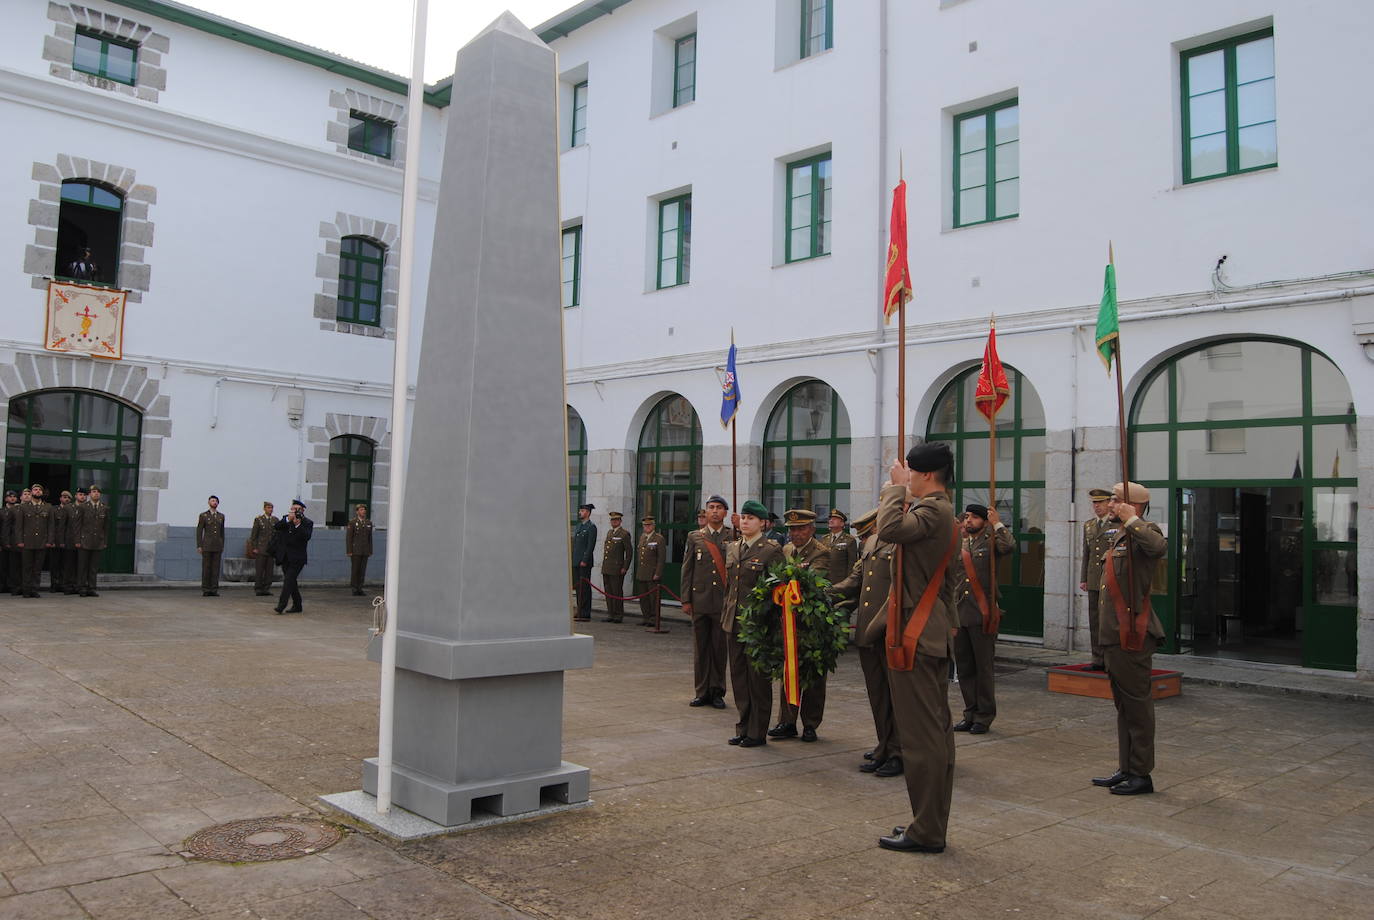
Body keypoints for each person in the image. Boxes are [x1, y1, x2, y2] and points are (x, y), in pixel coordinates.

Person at [872, 442, 959, 854]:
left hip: (918, 635)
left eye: (910, 472)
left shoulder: (933, 510)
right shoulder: (940, 510)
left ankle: (927, 830)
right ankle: (929, 823)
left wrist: (894, 490)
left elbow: (888, 530)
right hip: (927, 632)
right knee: (934, 734)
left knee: (922, 739)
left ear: (923, 475)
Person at [1091, 481, 1167, 797]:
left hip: (1132, 633)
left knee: (1137, 708)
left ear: (1132, 505)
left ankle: (1141, 774)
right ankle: (1127, 767)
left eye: (1115, 501)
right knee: (1124, 707)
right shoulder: (1120, 535)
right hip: (1113, 634)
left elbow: (1158, 548)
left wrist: (1133, 520)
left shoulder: (1143, 531)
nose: (1109, 505)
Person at [829, 508, 903, 777]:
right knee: (877, 694)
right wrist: (825, 590)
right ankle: (884, 745)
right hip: (867, 632)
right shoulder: (870, 543)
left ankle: (898, 752)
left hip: (887, 630)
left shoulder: (901, 543)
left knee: (895, 696)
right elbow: (856, 578)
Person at [722, 499, 782, 748]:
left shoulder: (771, 549)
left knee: (758, 680)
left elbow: (778, 591)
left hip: (758, 625)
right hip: (733, 622)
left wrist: (769, 623)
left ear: (763, 523)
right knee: (739, 678)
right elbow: (730, 588)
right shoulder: (734, 548)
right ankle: (743, 726)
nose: (745, 522)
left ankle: (757, 731)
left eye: (751, 518)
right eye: (744, 518)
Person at [769, 509, 832, 742]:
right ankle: (786, 721)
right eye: (792, 529)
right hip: (788, 621)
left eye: (801, 528)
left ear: (812, 529)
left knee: (814, 675)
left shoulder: (821, 552)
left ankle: (810, 724)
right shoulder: (786, 550)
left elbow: (811, 583)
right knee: (789, 671)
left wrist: (790, 577)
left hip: (812, 624)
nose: (795, 533)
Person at [952, 504, 1014, 734]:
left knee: (983, 667)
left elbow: (1009, 546)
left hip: (982, 612)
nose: (969, 521)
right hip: (961, 612)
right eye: (967, 517)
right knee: (965, 667)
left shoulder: (991, 542)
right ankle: (970, 712)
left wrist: (997, 523)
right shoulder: (961, 544)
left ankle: (984, 716)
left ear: (984, 522)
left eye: (975, 518)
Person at [681, 495, 733, 709]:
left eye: (719, 508)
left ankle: (717, 691)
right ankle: (701, 691)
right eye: (711, 507)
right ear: (706, 512)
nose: (714, 511)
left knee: (719, 649)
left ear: (725, 512)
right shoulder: (695, 537)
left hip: (722, 602)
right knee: (701, 649)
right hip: (700, 600)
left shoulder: (733, 536)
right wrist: (686, 599)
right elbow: (687, 569)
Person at [1079, 488, 1114, 670]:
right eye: (1094, 502)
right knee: (1094, 621)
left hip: (1110, 580)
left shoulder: (1117, 524)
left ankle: (1110, 660)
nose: (1097, 506)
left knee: (1108, 621)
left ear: (1110, 503)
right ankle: (1097, 659)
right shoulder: (1089, 525)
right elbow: (1087, 554)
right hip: (1094, 580)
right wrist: (1083, 577)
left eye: (1100, 502)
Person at [273, 499, 314, 613]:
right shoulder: (287, 519)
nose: (293, 511)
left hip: (297, 558)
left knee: (288, 580)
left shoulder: (307, 522)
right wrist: (287, 520)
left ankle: (281, 605)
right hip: (285, 557)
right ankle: (298, 605)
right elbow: (276, 527)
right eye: (292, 509)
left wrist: (298, 525)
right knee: (291, 582)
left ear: (302, 511)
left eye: (296, 509)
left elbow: (307, 536)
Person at [17, 483, 55, 599]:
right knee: (27, 567)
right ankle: (26, 590)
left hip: (41, 542)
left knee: (37, 568)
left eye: (39, 490)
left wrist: (50, 540)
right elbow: (19, 526)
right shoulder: (23, 507)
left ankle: (34, 589)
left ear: (42, 493)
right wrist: (20, 540)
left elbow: (51, 526)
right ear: (31, 492)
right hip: (27, 541)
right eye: (35, 489)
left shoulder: (48, 507)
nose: (37, 491)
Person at [74, 485, 108, 597]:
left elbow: (106, 527)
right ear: (89, 494)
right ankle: (82, 587)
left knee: (93, 567)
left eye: (98, 492)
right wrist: (78, 540)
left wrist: (104, 541)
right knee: (82, 566)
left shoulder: (104, 508)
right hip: (85, 540)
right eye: (94, 492)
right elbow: (78, 525)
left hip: (97, 541)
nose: (96, 494)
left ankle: (91, 587)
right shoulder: (83, 507)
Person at [634, 514, 666, 627]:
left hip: (652, 573)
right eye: (645, 525)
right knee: (643, 598)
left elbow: (661, 558)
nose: (647, 527)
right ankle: (646, 617)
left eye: (649, 525)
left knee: (653, 599)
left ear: (653, 526)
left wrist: (658, 573)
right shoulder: (642, 537)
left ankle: (654, 619)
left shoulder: (659, 538)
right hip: (642, 572)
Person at [600, 511, 631, 622]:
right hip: (607, 567)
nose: (614, 522)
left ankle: (618, 615)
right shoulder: (610, 533)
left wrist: (625, 567)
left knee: (617, 592)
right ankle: (611, 614)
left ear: (620, 521)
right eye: (612, 520)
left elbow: (629, 553)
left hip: (617, 568)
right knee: (608, 592)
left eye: (616, 520)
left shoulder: (624, 534)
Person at [571, 503, 597, 621]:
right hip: (576, 561)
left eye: (582, 511)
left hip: (584, 562)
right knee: (578, 588)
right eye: (580, 511)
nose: (580, 513)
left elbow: (590, 546)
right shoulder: (579, 526)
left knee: (585, 588)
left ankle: (585, 612)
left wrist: (584, 560)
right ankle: (580, 609)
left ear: (587, 512)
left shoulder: (591, 527)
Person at [822, 509, 860, 586]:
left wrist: (848, 583)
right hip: (825, 581)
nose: (831, 520)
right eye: (830, 519)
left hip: (840, 582)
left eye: (835, 519)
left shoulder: (849, 540)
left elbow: (851, 565)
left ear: (842, 523)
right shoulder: (825, 539)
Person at [196, 495, 225, 596]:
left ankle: (214, 589)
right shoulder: (203, 515)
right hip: (207, 545)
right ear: (209, 503)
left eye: (216, 501)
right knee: (207, 568)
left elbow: (222, 532)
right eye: (212, 501)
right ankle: (206, 589)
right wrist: (199, 545)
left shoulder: (221, 516)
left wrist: (222, 545)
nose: (214, 502)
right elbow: (199, 531)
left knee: (215, 568)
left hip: (217, 546)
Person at [247, 502, 277, 596]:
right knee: (260, 570)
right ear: (264, 509)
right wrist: (254, 547)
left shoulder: (275, 520)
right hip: (261, 548)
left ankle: (266, 588)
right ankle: (258, 588)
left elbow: (276, 535)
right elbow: (254, 535)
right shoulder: (259, 520)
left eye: (271, 508)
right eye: (268, 508)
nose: (270, 509)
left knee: (269, 570)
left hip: (271, 549)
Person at [345, 504, 373, 596]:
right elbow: (349, 538)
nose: (363, 511)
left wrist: (370, 550)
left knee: (362, 570)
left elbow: (370, 538)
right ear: (357, 512)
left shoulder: (368, 523)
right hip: (355, 550)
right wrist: (349, 550)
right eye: (361, 510)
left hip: (365, 550)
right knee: (355, 570)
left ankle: (360, 588)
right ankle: (354, 588)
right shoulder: (352, 522)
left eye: (364, 510)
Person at [53, 490, 77, 594]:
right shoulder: (54, 509)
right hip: (55, 540)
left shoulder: (72, 510)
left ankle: (63, 583)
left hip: (67, 541)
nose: (66, 499)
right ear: (60, 498)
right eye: (64, 497)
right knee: (55, 564)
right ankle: (54, 584)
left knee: (65, 564)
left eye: (68, 498)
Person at [0, 490, 17, 595]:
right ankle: (2, 585)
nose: (12, 498)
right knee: (2, 566)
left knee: (13, 566)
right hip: (3, 542)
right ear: (6, 498)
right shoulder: (1, 511)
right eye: (10, 496)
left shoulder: (18, 511)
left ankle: (11, 586)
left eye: (14, 496)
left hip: (14, 542)